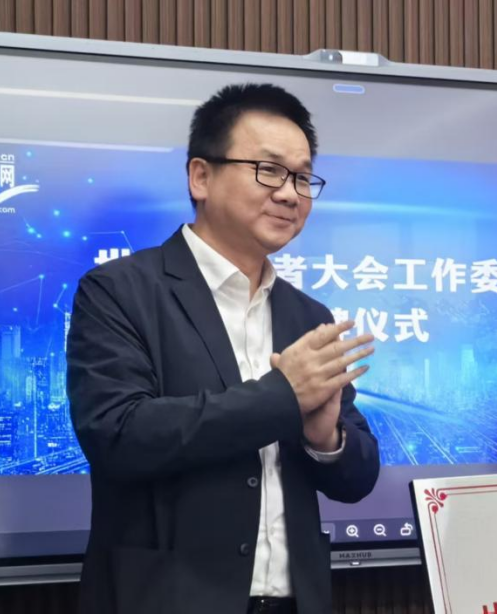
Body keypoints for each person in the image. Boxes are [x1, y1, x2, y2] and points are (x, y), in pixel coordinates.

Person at [67, 83, 380, 614]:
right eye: (269, 170)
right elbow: (117, 434)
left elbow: (358, 479)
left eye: (302, 177)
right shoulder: (119, 291)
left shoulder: (309, 316)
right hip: (166, 600)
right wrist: (284, 396)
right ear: (201, 176)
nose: (290, 194)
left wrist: (325, 437)